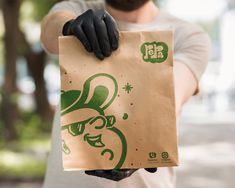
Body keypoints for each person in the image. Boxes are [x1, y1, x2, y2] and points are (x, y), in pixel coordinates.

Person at [40, 0, 210, 187]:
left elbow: (170, 98)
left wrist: (132, 142)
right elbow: (50, 30)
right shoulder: (76, 8)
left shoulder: (189, 36)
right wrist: (68, 27)